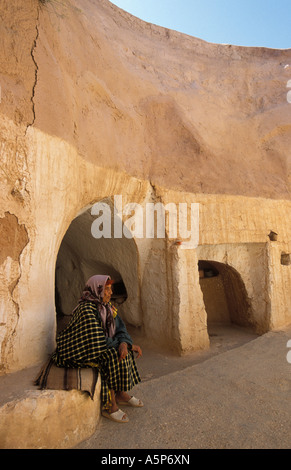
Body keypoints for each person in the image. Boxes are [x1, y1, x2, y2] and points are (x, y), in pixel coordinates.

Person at [52, 274, 143, 423]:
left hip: (96, 345)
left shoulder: (107, 308)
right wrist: (125, 346)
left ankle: (120, 393)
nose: (110, 293)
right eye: (107, 289)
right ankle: (109, 405)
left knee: (123, 351)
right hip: (77, 350)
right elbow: (98, 341)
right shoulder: (86, 310)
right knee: (111, 356)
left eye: (110, 289)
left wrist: (125, 343)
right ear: (97, 290)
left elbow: (121, 329)